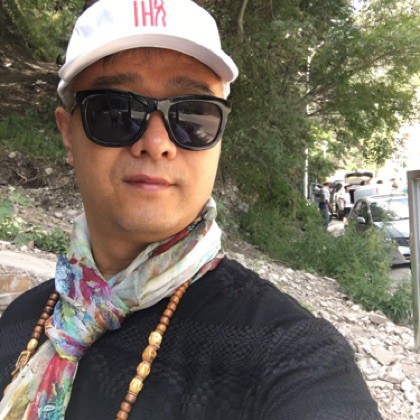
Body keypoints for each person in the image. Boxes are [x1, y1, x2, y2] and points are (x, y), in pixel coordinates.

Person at [0, 1, 381, 419]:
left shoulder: (291, 355)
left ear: (219, 138)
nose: (157, 143)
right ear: (67, 132)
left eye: (193, 116)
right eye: (115, 112)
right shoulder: (21, 320)